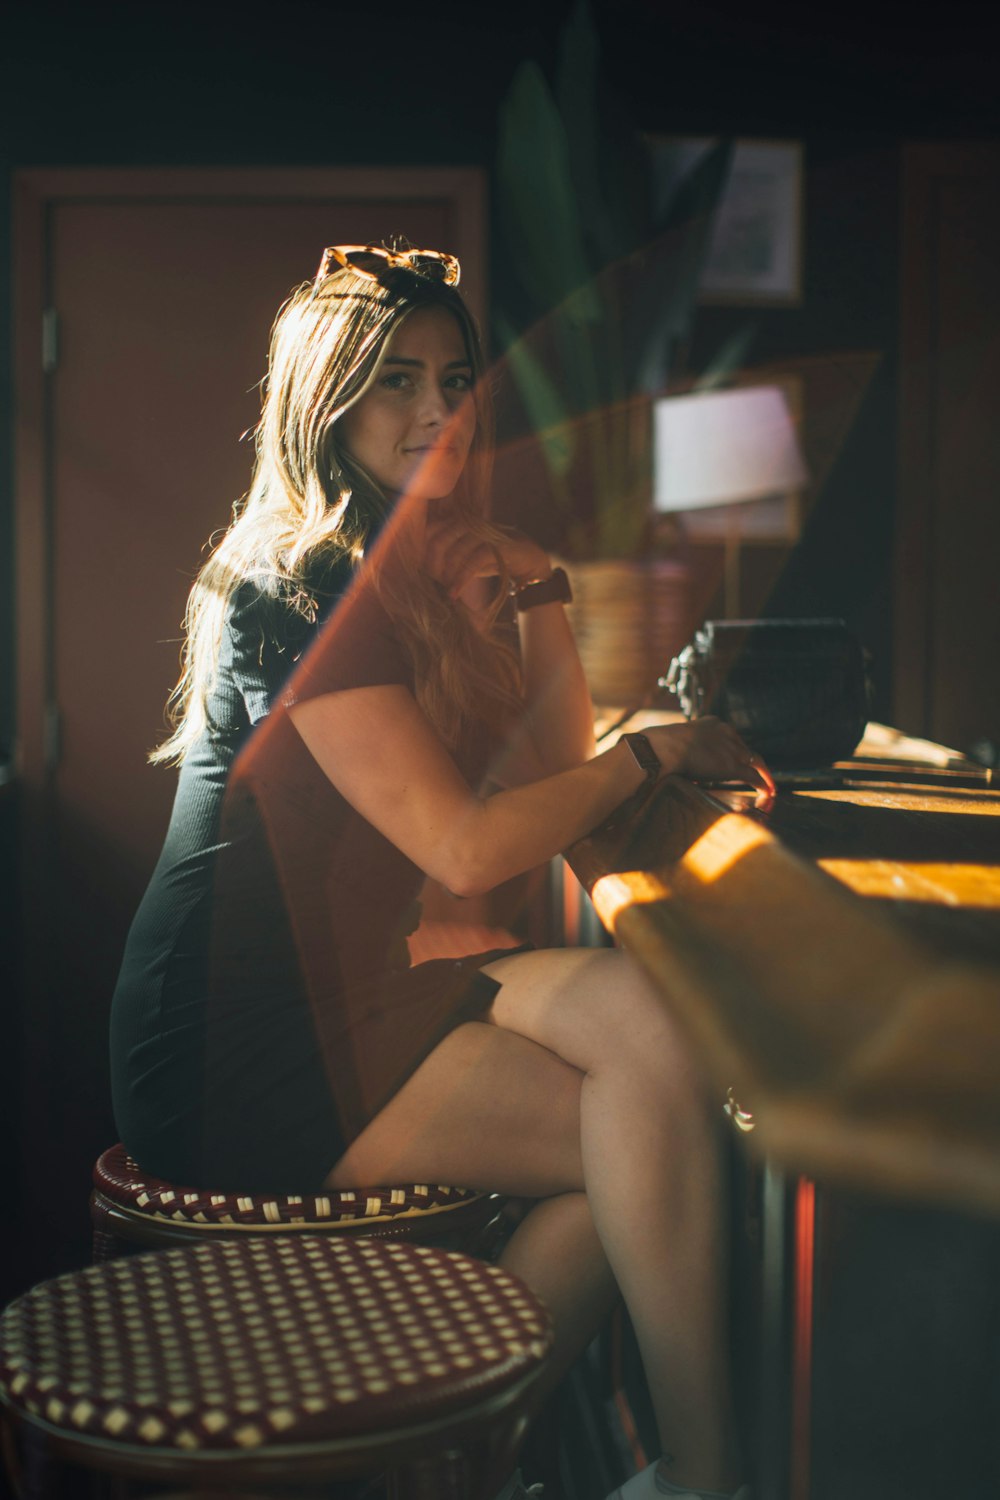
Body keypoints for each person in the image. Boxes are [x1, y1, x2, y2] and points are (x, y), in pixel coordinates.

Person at [110, 242, 774, 1500]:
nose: (435, 413)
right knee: (636, 1136)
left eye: (453, 382)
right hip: (230, 1041)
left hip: (353, 986)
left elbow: (549, 774)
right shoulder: (287, 592)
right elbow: (471, 845)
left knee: (655, 1039)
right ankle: (558, 1470)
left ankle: (630, 1469)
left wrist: (537, 593)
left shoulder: (406, 574)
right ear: (328, 401)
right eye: (395, 382)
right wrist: (654, 756)